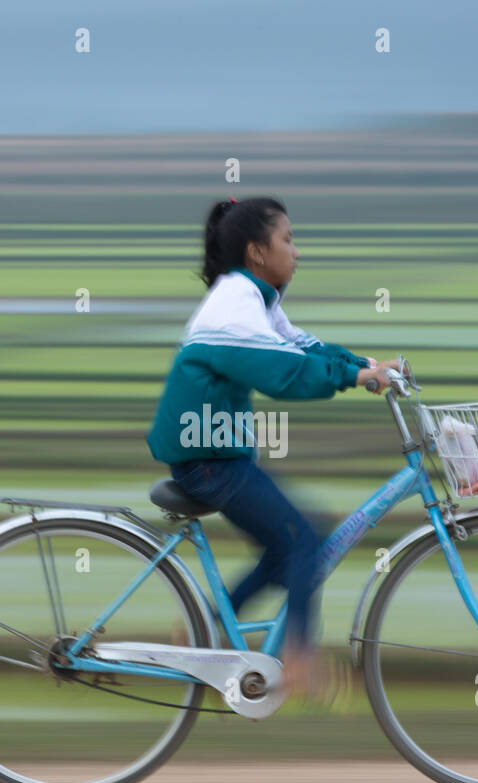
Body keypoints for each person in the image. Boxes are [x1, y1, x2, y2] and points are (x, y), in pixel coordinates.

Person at [146, 195, 400, 702]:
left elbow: (301, 347)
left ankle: (208, 624)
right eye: (288, 239)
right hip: (208, 461)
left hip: (216, 454)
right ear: (257, 251)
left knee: (293, 543)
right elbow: (284, 373)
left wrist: (366, 364)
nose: (297, 251)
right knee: (304, 540)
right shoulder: (235, 306)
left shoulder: (253, 298)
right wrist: (352, 376)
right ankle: (301, 658)